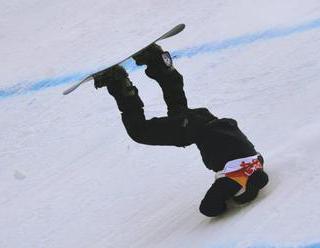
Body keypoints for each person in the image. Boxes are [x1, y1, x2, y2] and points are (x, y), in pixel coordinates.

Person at [94, 44, 269, 217]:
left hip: (206, 119)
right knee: (140, 132)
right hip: (193, 130)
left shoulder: (257, 160)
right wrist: (225, 204)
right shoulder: (233, 182)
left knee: (177, 107)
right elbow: (208, 208)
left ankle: (157, 60)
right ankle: (118, 82)